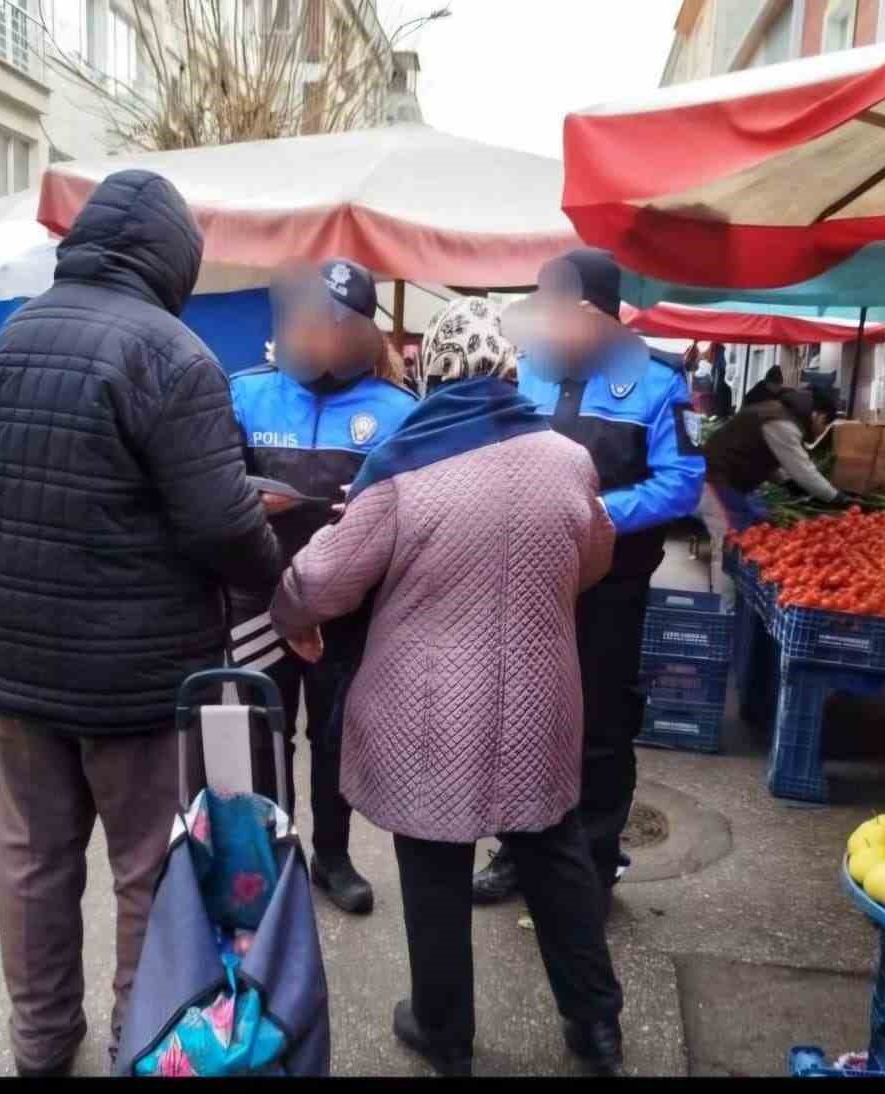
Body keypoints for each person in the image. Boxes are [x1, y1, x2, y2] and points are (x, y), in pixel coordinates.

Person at [0, 169, 281, 1078]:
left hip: (20, 667)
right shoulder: (171, 354)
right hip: (135, 678)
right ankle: (133, 1043)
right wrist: (278, 583)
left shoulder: (13, 336)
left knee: (33, 859)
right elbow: (223, 523)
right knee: (147, 869)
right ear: (172, 260)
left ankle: (39, 1044)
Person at [271, 298, 625, 1077]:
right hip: (541, 702)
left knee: (434, 870)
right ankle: (595, 1025)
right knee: (555, 857)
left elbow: (326, 577)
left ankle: (445, 1033)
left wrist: (289, 607)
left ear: (432, 372)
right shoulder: (566, 459)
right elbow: (594, 557)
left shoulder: (404, 464)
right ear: (507, 368)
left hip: (428, 712)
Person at [476, 248, 707, 908]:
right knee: (520, 721)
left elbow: (682, 483)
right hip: (526, 584)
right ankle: (516, 856)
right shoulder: (527, 374)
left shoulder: (659, 381)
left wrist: (596, 513)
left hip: (610, 588)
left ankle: (595, 866)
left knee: (601, 729)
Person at [227, 258, 417, 915]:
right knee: (261, 731)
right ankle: (274, 858)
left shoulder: (399, 410)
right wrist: (251, 506)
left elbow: (415, 511)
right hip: (258, 601)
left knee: (335, 735)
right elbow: (212, 491)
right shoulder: (246, 392)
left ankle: (333, 858)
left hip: (347, 607)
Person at [699, 385, 844, 600]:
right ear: (817, 415)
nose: (822, 432)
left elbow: (760, 455)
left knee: (749, 530)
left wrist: (785, 482)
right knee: (731, 543)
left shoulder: (778, 413)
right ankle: (726, 606)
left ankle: (734, 601)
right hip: (717, 481)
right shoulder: (782, 422)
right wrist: (835, 498)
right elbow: (803, 470)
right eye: (825, 424)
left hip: (726, 480)